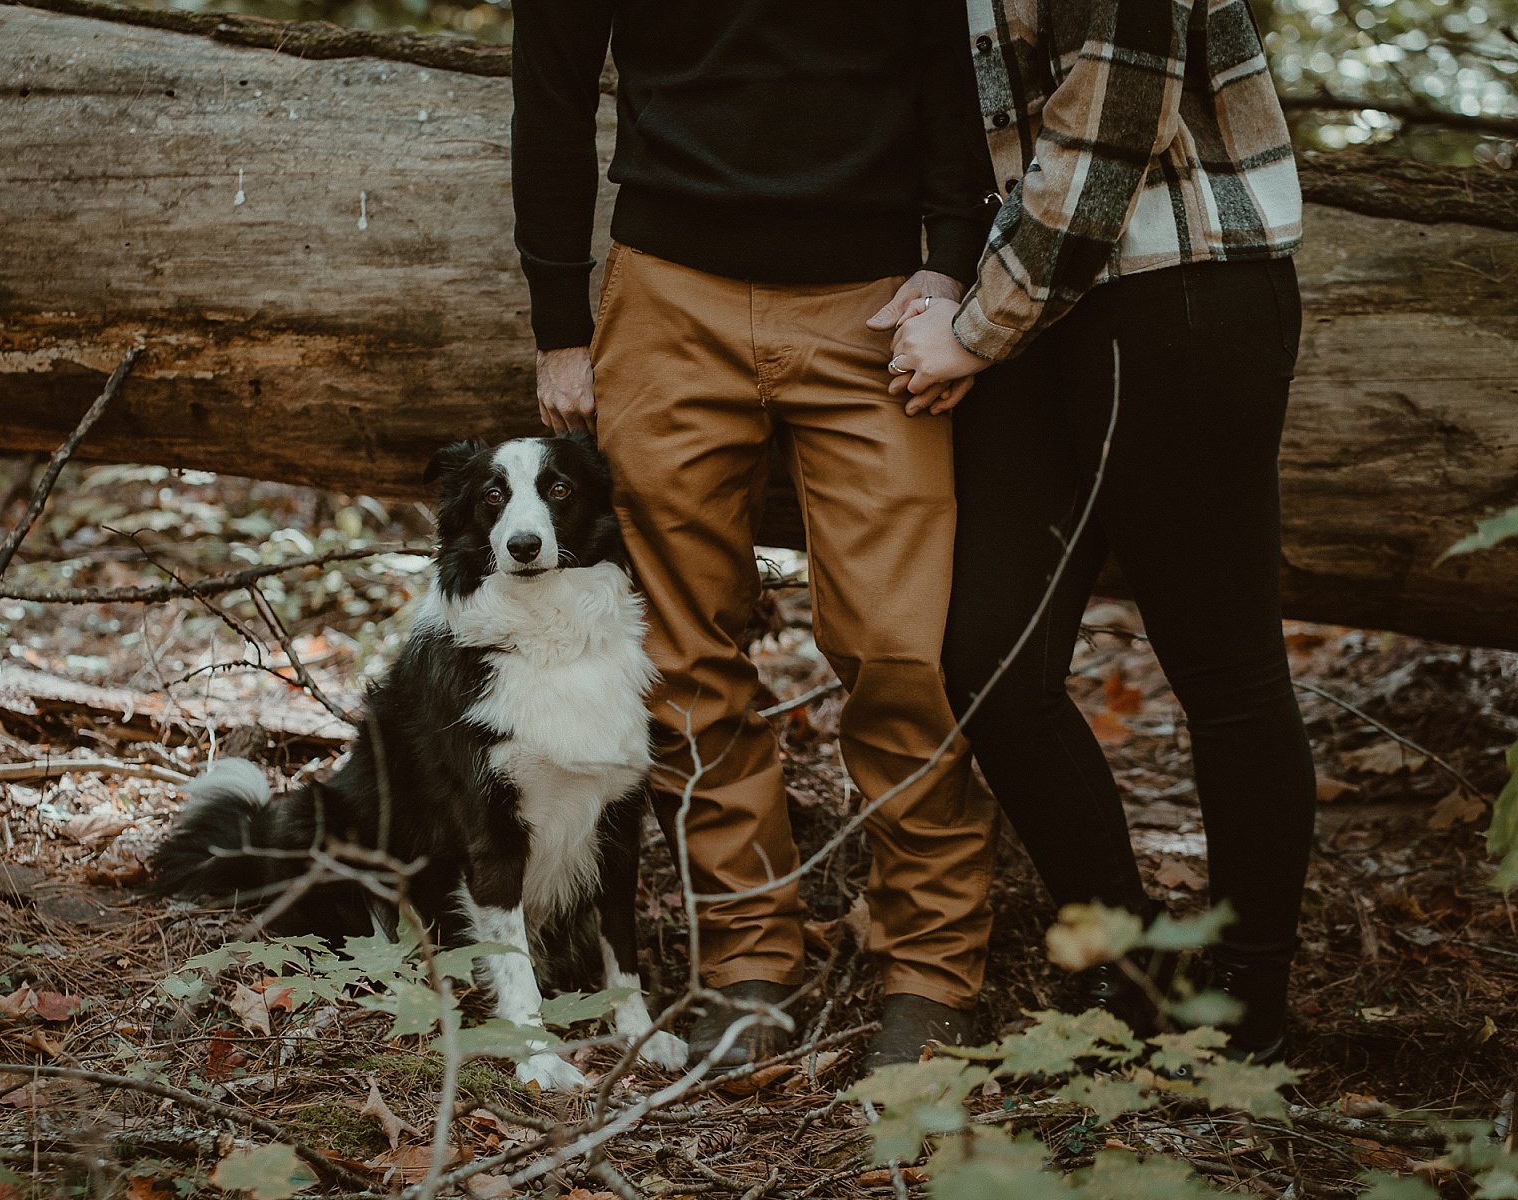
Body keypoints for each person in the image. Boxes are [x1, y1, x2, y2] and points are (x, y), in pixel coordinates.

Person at [510, 0, 1004, 1068]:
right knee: (686, 656)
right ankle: (748, 961)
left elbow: (945, 62)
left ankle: (933, 971)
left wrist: (952, 258)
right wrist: (561, 323)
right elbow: (549, 90)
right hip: (667, 295)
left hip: (878, 300)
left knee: (899, 647)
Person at [888, 0, 1311, 1061]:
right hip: (1038, 304)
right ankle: (1132, 972)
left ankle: (1248, 1004)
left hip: (1177, 295)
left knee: (1225, 673)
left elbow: (1112, 115)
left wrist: (975, 330)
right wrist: (953, 286)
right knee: (990, 663)